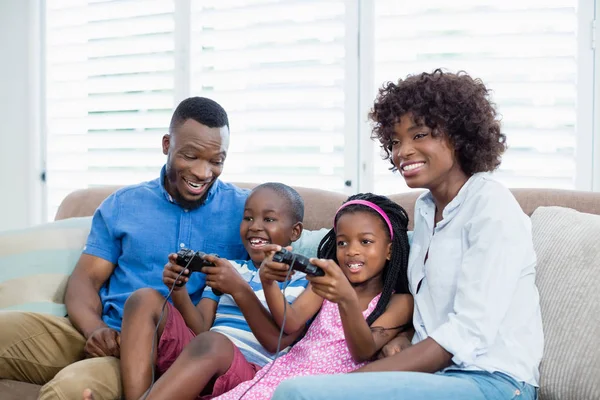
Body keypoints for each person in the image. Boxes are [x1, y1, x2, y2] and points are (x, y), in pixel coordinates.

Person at [270, 69, 544, 400]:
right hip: (441, 377)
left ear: (458, 135)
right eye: (395, 141)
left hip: (493, 382)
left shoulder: (491, 206)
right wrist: (405, 338)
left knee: (298, 393)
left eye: (420, 135)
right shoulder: (427, 210)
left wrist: (360, 378)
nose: (402, 152)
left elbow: (468, 332)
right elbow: (433, 312)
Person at [0, 97, 250, 400]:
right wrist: (94, 329)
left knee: (69, 390)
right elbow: (85, 279)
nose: (202, 172)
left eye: (216, 161)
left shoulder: (246, 215)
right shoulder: (124, 204)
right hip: (98, 331)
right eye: (190, 155)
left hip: (159, 356)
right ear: (166, 144)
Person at [203, 192, 414, 400]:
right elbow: (290, 322)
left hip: (327, 388)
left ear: (389, 251)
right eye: (342, 242)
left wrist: (346, 299)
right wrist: (268, 282)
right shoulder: (325, 283)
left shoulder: (399, 302)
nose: (351, 251)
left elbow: (363, 351)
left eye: (365, 242)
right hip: (285, 374)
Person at [115, 182, 309, 400]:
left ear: (295, 231)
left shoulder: (304, 281)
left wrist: (239, 289)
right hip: (199, 360)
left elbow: (276, 342)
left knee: (214, 342)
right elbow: (200, 329)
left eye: (269, 219)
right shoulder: (229, 268)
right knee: (143, 299)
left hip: (249, 374)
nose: (255, 226)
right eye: (248, 218)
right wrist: (178, 289)